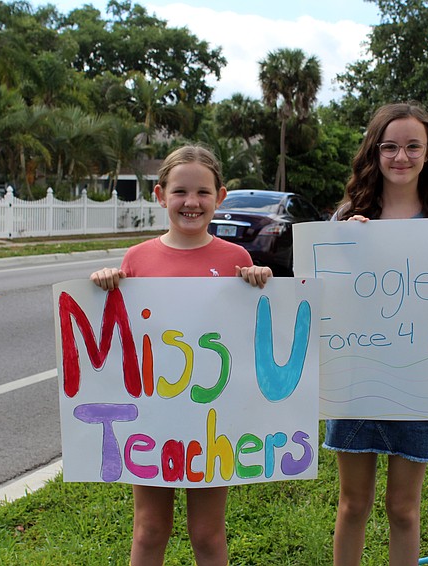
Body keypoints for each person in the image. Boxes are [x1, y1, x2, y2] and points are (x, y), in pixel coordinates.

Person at [90, 145, 272, 566]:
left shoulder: (236, 259)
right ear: (160, 195)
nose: (191, 203)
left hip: (212, 419)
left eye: (203, 193)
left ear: (220, 196)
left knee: (207, 534)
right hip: (152, 415)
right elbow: (122, 334)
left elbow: (250, 336)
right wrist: (106, 283)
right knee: (149, 529)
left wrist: (260, 282)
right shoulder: (137, 259)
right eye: (180, 192)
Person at [325, 102, 428, 566]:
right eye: (390, 146)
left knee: (403, 509)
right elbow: (327, 294)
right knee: (353, 504)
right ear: (375, 152)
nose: (401, 157)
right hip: (359, 375)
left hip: (422, 382)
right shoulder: (350, 216)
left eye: (413, 146)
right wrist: (344, 246)